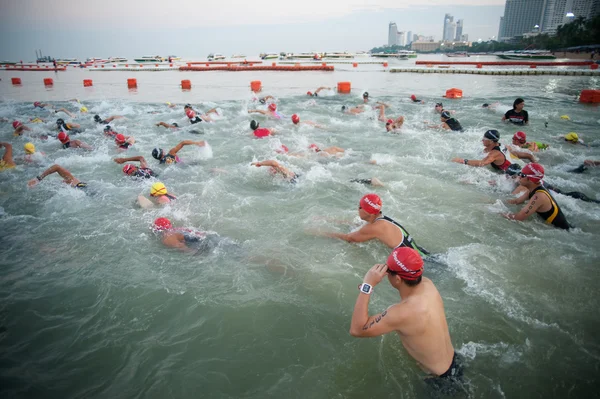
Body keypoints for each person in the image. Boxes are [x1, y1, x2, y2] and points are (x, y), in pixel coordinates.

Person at [349, 247, 459, 379]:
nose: (385, 273)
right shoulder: (428, 285)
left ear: (398, 280)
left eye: (388, 270)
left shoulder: (401, 313)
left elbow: (357, 330)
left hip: (439, 380)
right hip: (455, 361)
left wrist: (367, 285)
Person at [311, 194, 429, 256]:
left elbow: (349, 238)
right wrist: (327, 219)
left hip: (421, 263)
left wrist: (321, 233)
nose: (358, 209)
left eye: (359, 207)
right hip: (421, 252)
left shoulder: (375, 228)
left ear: (367, 212)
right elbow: (356, 224)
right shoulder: (380, 218)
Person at [503, 163, 571, 229]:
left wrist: (496, 213)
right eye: (520, 173)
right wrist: (495, 202)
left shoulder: (539, 196)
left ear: (531, 180)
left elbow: (518, 218)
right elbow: (516, 201)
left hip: (563, 230)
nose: (519, 177)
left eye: (522, 175)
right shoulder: (532, 190)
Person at [452, 130, 523, 172]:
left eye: (484, 138)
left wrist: (463, 161)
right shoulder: (501, 145)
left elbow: (482, 163)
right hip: (513, 168)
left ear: (491, 141)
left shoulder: (495, 153)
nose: (482, 140)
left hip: (509, 176)